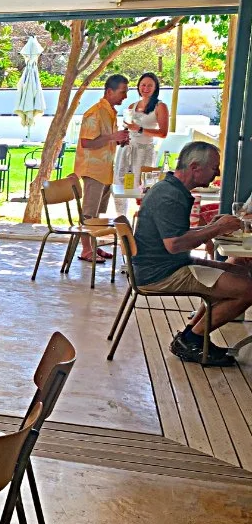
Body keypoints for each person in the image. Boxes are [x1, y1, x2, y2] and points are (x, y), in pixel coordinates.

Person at [132, 141, 252, 366]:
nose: (217, 173)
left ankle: (193, 337)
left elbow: (175, 236)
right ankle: (192, 339)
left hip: (166, 265)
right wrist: (215, 229)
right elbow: (175, 244)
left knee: (239, 272)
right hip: (160, 273)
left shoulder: (171, 188)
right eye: (214, 167)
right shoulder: (170, 196)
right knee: (247, 290)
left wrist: (210, 228)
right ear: (195, 167)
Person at [75, 74, 131, 261]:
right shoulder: (95, 112)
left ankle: (93, 245)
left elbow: (105, 141)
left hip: (105, 170)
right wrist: (112, 137)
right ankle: (86, 250)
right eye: (123, 92)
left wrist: (118, 140)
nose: (125, 96)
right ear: (109, 91)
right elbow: (86, 143)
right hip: (93, 170)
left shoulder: (110, 112)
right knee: (89, 213)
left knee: (98, 213)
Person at [114, 72, 169, 216]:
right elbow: (128, 128)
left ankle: (143, 223)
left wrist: (140, 129)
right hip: (127, 150)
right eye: (143, 85)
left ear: (155, 87)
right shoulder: (132, 106)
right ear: (138, 86)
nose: (146, 88)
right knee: (121, 186)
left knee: (144, 188)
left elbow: (163, 133)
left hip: (144, 151)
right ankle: (122, 223)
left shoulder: (160, 106)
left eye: (150, 85)